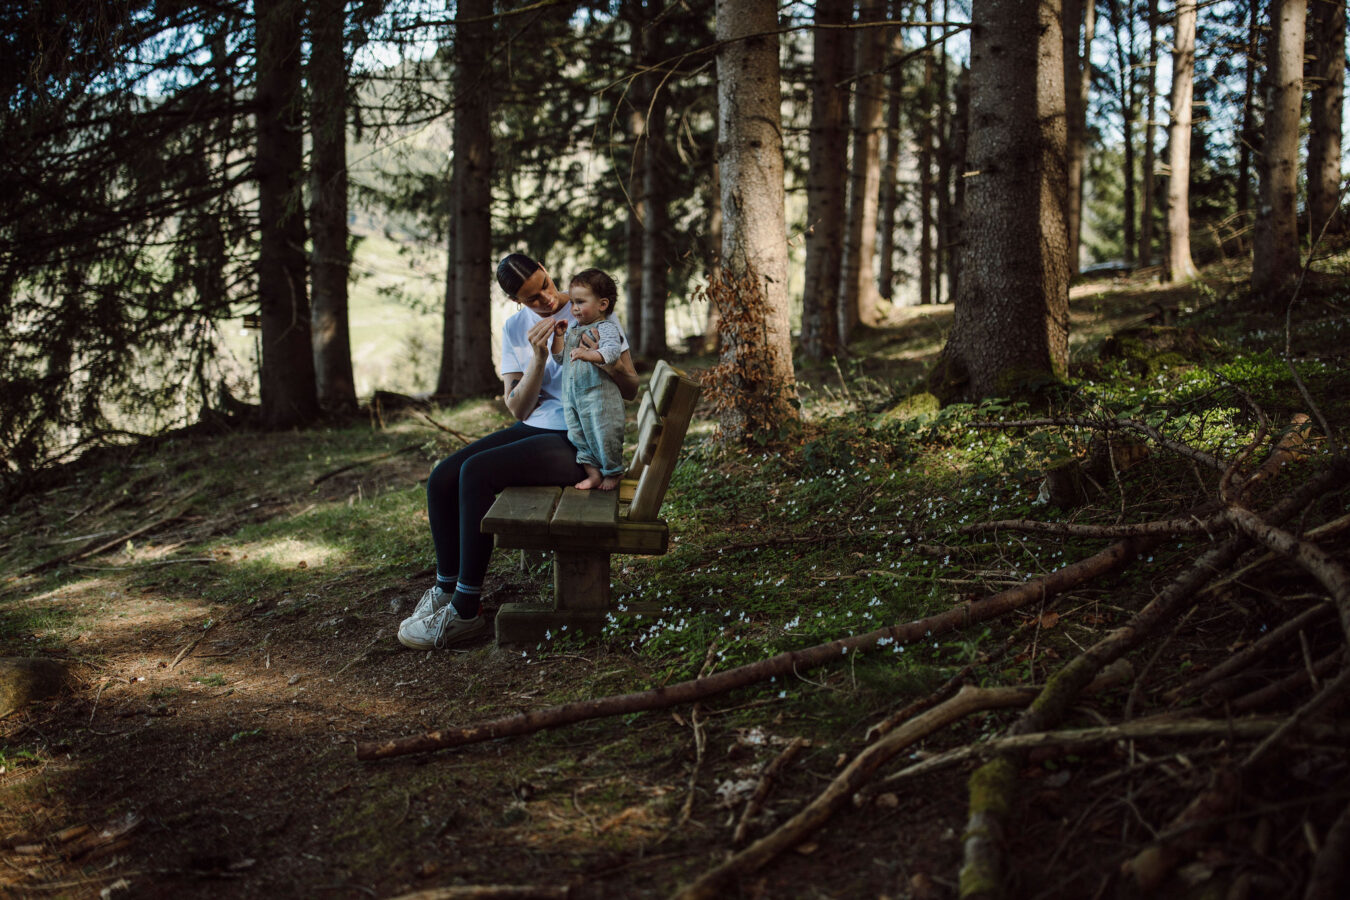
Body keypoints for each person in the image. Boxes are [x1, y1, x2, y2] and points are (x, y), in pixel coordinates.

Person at [397, 253, 639, 650]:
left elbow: (630, 389)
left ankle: (465, 609)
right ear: (516, 303)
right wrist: (539, 358)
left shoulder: (587, 307)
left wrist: (605, 364)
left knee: (476, 472)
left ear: (547, 268)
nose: (546, 299)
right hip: (533, 427)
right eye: (532, 298)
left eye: (544, 285)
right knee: (444, 475)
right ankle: (444, 589)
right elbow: (518, 408)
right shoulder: (514, 328)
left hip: (578, 442)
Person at [551, 269, 628, 491]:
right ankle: (593, 474)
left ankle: (613, 472)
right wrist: (558, 337)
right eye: (573, 302)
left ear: (602, 305)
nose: (573, 308)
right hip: (573, 399)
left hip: (600, 400)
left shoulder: (606, 328)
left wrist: (589, 355)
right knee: (578, 437)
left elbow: (612, 352)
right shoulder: (574, 330)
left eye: (580, 302)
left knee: (605, 435)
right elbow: (560, 359)